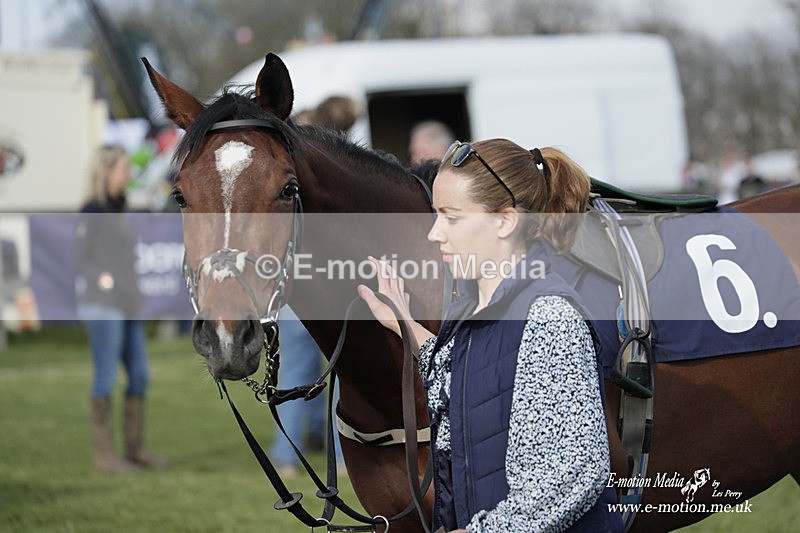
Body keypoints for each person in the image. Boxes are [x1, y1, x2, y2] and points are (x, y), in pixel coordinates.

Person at [357, 139, 622, 532]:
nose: (434, 234)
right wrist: (404, 324)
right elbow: (471, 384)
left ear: (505, 220)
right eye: (436, 216)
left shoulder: (548, 316)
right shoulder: (470, 308)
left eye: (451, 218)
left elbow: (577, 472)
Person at [75, 144, 168, 473]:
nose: (129, 173)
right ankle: (105, 458)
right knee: (106, 376)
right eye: (124, 168)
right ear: (107, 170)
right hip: (102, 306)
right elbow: (80, 257)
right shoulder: (92, 209)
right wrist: (101, 278)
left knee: (140, 376)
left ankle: (135, 449)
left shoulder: (119, 207)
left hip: (127, 305)